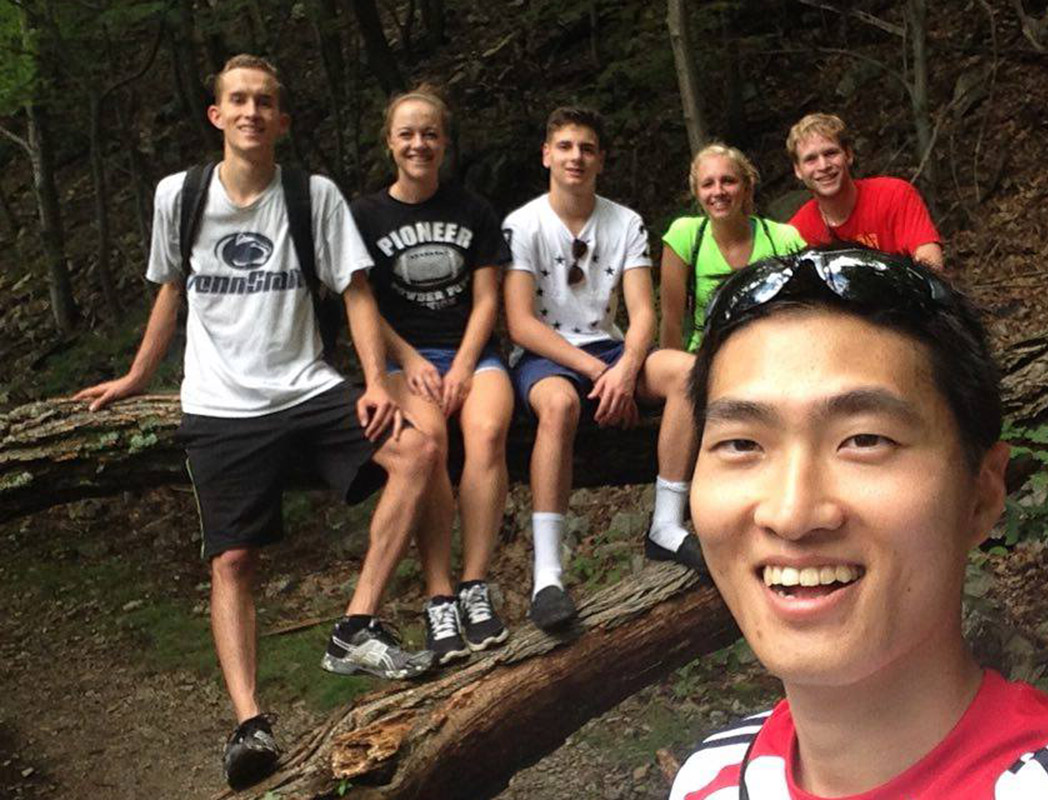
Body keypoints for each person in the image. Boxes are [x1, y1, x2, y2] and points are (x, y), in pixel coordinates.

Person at [669, 247, 1048, 798]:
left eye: (865, 440)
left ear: (981, 494)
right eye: (741, 444)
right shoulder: (707, 778)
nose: (792, 513)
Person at [74, 55, 437, 792]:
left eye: (264, 102)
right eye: (237, 100)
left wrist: (374, 381)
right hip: (220, 404)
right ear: (217, 116)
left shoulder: (314, 195)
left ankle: (356, 625)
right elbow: (171, 290)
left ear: (281, 120)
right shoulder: (179, 196)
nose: (250, 112)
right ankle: (250, 723)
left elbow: (356, 291)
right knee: (233, 562)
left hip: (306, 387)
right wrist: (139, 376)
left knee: (418, 448)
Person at [502, 106, 701, 631]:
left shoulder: (625, 221)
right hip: (549, 355)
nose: (576, 157)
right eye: (565, 146)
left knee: (688, 372)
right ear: (546, 154)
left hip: (612, 352)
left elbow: (643, 314)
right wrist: (597, 373)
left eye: (587, 148)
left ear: (601, 160)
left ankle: (665, 526)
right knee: (560, 405)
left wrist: (626, 366)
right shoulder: (522, 224)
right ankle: (547, 574)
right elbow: (520, 323)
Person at [351, 87, 512, 664]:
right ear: (391, 142)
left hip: (471, 351)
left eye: (429, 134)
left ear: (444, 141)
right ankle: (438, 594)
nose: (419, 144)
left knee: (488, 433)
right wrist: (413, 360)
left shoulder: (474, 210)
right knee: (433, 443)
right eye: (407, 134)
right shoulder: (365, 215)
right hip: (401, 361)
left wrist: (466, 364)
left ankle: (474, 585)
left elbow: (488, 299)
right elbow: (362, 305)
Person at [660, 143, 804, 353]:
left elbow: (804, 313)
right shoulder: (686, 235)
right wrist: (671, 373)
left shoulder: (782, 238)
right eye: (708, 184)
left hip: (772, 354)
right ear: (697, 193)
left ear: (746, 187)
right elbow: (672, 322)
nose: (718, 191)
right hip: (707, 356)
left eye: (728, 181)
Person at [786, 113, 944, 269]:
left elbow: (930, 264)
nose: (823, 166)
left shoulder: (894, 194)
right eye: (811, 159)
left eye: (830, 153)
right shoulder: (797, 232)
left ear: (848, 155)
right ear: (798, 170)